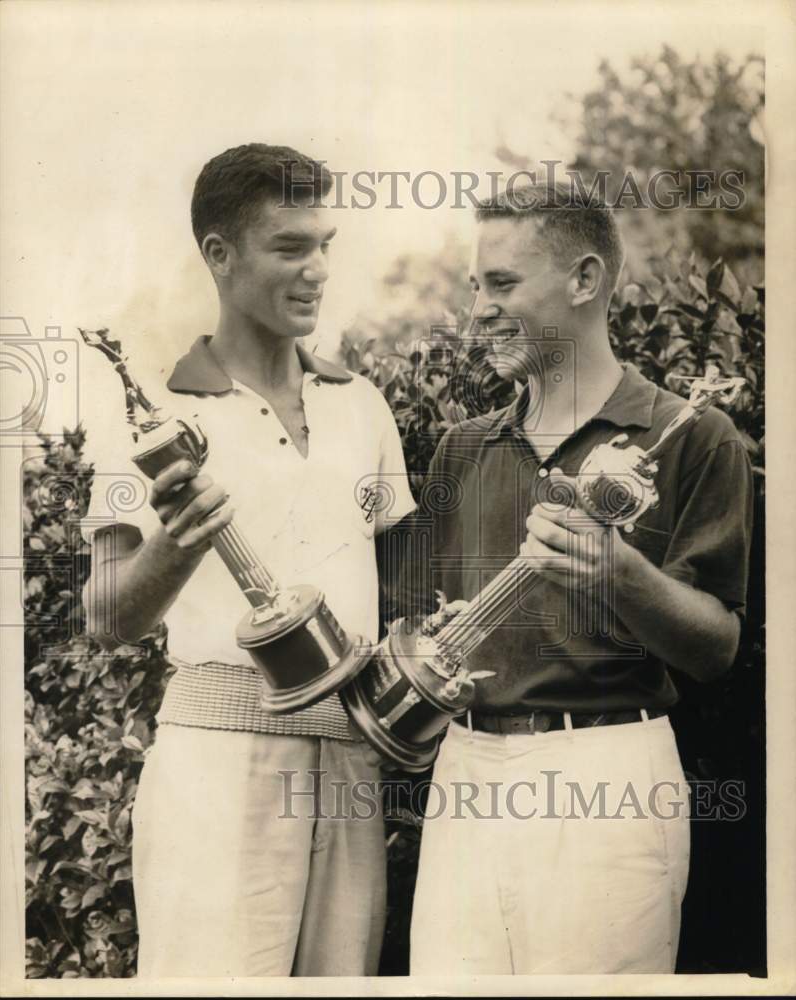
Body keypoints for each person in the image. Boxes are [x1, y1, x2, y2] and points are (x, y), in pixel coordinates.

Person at [401, 181, 753, 974]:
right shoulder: (461, 449)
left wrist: (617, 573)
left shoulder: (693, 434)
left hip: (608, 778)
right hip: (465, 774)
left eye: (502, 284)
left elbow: (717, 651)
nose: (478, 308)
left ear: (585, 280)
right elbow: (421, 621)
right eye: (474, 287)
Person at [81, 143, 415, 977]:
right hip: (217, 766)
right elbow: (107, 616)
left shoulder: (362, 406)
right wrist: (179, 540)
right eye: (290, 248)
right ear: (219, 256)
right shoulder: (150, 411)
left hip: (346, 763)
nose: (316, 271)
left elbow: (400, 584)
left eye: (324, 246)